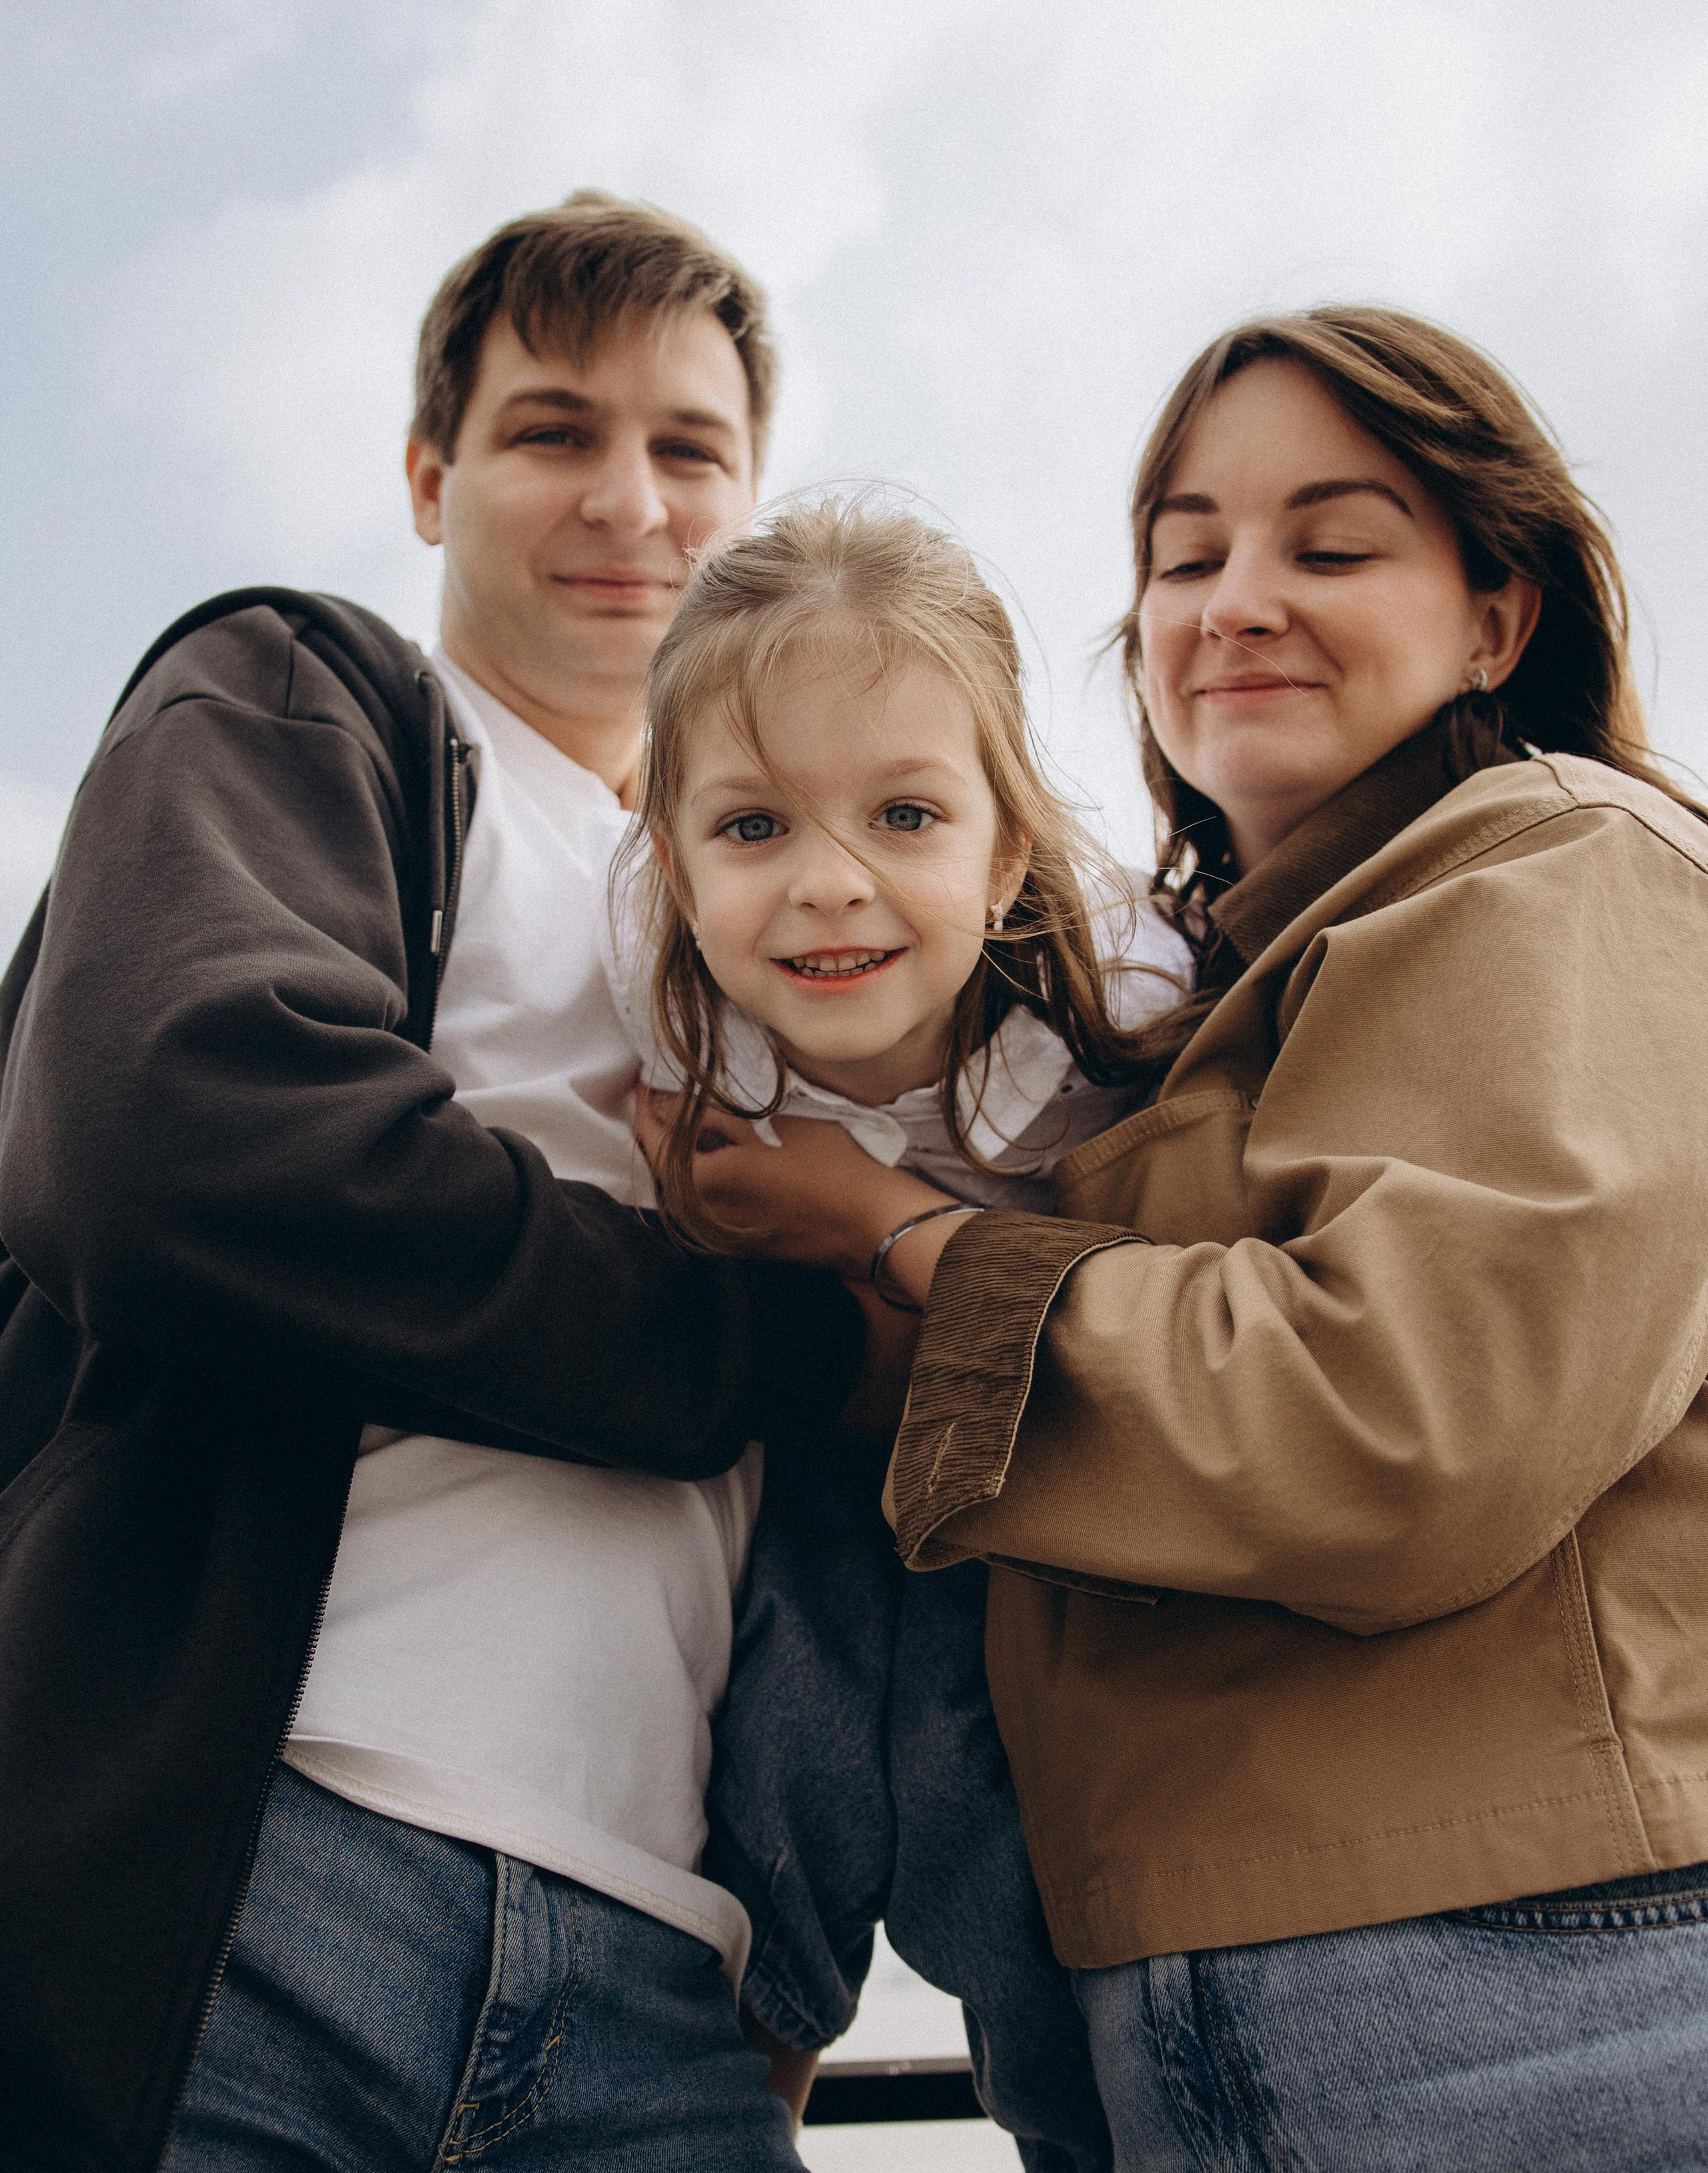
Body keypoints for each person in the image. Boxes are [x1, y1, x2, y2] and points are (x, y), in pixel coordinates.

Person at [662, 309, 1708, 2172]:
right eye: (1185, 554)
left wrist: (893, 1231)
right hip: (1227, 2010)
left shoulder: (1557, 867)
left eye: (1331, 543)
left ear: (1498, 614)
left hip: (1514, 2000)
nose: (1236, 601)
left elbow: (1391, 1424)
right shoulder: (1217, 997)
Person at [0, 191, 877, 2173]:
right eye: (554, 432)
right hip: (254, 1879)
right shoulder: (308, 700)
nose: (627, 502)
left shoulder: (785, 917)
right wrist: (792, 1342)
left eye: (689, 450)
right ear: (430, 475)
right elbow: (184, 1147)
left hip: (668, 1987)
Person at [611, 496, 1186, 2166]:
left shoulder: (1124, 1018)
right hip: (815, 1467)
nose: (828, 886)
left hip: (1027, 1493)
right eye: (752, 829)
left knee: (979, 1796)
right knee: (775, 1743)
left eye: (904, 814)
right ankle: (737, 2104)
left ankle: (1073, 2123)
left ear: (1005, 849)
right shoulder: (638, 978)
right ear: (670, 857)